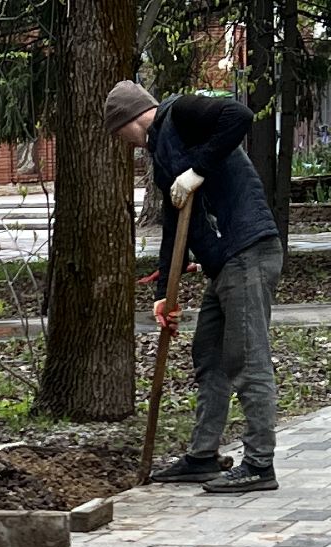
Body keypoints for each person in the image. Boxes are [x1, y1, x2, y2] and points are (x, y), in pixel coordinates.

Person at [104, 81, 283, 493]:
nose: (125, 143)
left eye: (120, 133)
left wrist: (198, 169)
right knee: (209, 355)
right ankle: (202, 457)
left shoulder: (180, 113)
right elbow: (174, 227)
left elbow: (239, 117)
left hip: (249, 250)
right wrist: (164, 293)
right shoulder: (163, 158)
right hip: (225, 264)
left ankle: (259, 464)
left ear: (132, 119)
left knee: (245, 357)